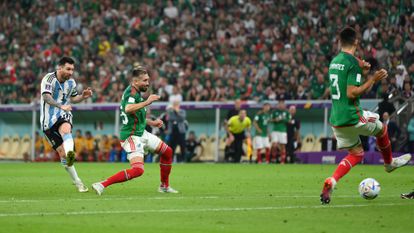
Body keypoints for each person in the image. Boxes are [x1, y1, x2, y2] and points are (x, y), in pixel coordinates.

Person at [320, 27, 411, 204]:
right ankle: (388, 163)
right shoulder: (352, 63)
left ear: (340, 41)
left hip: (337, 120)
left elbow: (346, 79)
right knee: (382, 128)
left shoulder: (335, 61)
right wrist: (373, 79)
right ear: (356, 41)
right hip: (353, 116)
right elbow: (352, 92)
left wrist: (363, 72)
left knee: (356, 153)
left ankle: (332, 180)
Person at [92, 66, 178, 195]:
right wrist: (147, 102)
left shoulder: (136, 93)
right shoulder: (132, 93)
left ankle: (164, 186)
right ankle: (102, 184)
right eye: (144, 80)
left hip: (141, 132)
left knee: (167, 152)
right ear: (135, 81)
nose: (147, 83)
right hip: (131, 136)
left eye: (148, 80)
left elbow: (136, 115)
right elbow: (128, 108)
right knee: (138, 170)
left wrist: (152, 122)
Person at [40, 56, 92, 192]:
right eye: (68, 69)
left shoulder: (71, 83)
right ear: (60, 67)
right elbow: (46, 96)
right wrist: (59, 105)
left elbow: (74, 98)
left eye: (72, 70)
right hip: (47, 121)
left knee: (66, 129)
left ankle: (71, 154)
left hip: (63, 114)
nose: (70, 72)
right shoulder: (49, 79)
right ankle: (78, 182)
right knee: (61, 155)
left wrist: (83, 97)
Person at [270, 99, 291, 164]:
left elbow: (289, 121)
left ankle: (282, 160)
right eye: (280, 104)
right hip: (275, 130)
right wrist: (275, 120)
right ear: (278, 105)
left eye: (282, 104)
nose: (281, 105)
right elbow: (270, 120)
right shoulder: (274, 112)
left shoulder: (287, 112)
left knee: (282, 146)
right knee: (274, 145)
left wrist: (282, 119)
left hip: (283, 131)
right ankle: (273, 159)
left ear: (284, 105)